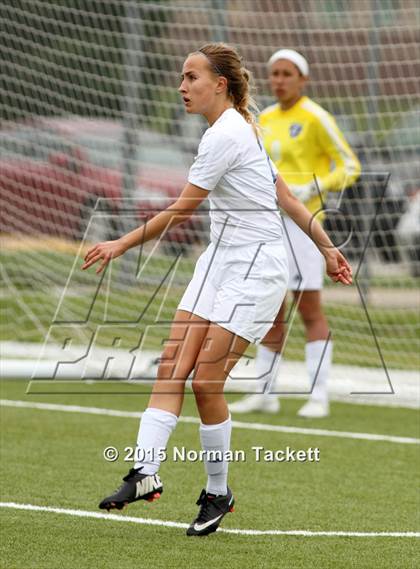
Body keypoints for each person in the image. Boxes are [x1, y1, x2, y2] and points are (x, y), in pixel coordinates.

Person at [82, 43, 352, 536]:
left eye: (191, 77)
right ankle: (144, 473)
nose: (182, 87)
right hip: (219, 262)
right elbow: (283, 192)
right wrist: (329, 246)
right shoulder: (240, 125)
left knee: (206, 382)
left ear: (220, 84)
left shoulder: (226, 133)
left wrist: (121, 243)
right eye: (181, 78)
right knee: (171, 368)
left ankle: (217, 492)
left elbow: (183, 210)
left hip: (257, 268)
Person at [229, 49, 361, 419]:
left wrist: (315, 185)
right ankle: (264, 392)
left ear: (303, 79)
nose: (279, 80)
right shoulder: (263, 118)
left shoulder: (317, 117)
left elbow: (350, 165)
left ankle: (318, 395)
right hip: (268, 224)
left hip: (304, 225)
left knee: (309, 307)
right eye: (274, 73)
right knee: (270, 307)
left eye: (287, 73)